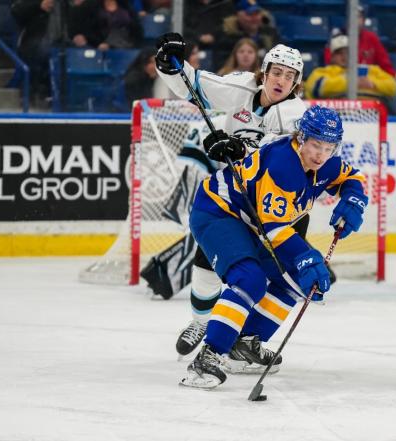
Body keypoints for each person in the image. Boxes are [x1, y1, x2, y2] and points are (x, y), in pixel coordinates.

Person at [180, 105, 368, 388]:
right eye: (316, 144)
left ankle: (244, 345)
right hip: (218, 211)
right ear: (301, 138)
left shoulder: (325, 163)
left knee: (298, 281)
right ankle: (210, 354)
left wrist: (353, 200)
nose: (321, 153)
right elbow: (274, 229)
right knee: (249, 278)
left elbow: (352, 177)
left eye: (329, 147)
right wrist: (308, 256)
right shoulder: (283, 165)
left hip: (254, 222)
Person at [153, 32, 312, 359]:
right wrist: (170, 64)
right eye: (277, 72)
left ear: (296, 83)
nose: (282, 80)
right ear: (264, 72)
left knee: (276, 279)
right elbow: (195, 83)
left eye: (290, 75)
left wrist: (242, 149)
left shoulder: (296, 114)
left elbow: (282, 159)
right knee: (207, 255)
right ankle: (200, 322)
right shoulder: (242, 89)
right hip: (236, 196)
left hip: (278, 208)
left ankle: (246, 341)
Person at [325, 5, 396, 90]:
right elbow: (330, 62)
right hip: (342, 81)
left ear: (363, 20)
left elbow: (385, 65)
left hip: (368, 85)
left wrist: (395, 75)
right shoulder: (337, 36)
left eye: (358, 17)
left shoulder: (371, 38)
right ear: (346, 19)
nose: (354, 20)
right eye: (352, 16)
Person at [305, 34, 396, 103]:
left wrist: (373, 84)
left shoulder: (371, 70)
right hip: (336, 115)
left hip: (373, 114)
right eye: (339, 53)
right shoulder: (323, 72)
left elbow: (393, 86)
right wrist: (352, 82)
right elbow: (316, 87)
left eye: (348, 52)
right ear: (332, 56)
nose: (344, 56)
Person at [212, 0, 279, 69]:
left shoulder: (270, 33)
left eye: (257, 13)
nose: (254, 18)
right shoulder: (226, 37)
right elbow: (221, 65)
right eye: (249, 14)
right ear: (238, 15)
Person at [70, 0, 142, 51]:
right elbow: (82, 26)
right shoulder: (91, 5)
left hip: (127, 45)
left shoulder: (125, 4)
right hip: (100, 46)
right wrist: (98, 44)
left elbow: (136, 26)